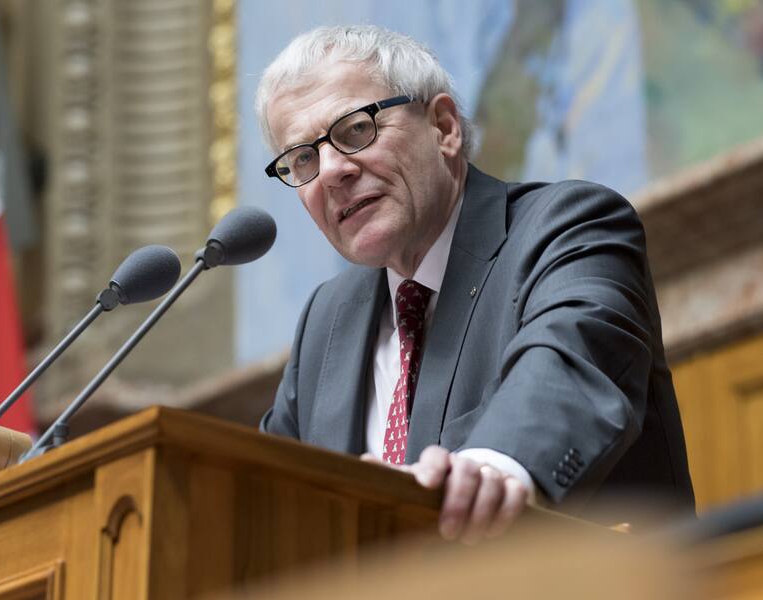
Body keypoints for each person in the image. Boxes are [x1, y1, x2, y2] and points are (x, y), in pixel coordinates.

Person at [256, 25, 694, 543]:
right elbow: (266, 499)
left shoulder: (569, 227)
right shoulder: (326, 321)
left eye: (355, 130)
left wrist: (493, 468)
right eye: (303, 159)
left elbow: (569, 367)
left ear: (444, 128)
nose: (331, 171)